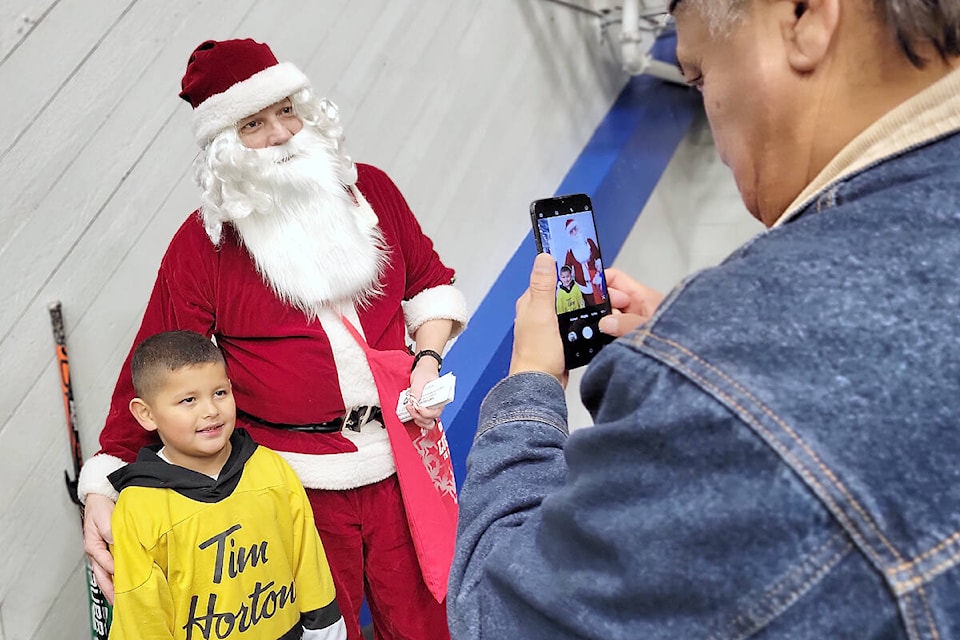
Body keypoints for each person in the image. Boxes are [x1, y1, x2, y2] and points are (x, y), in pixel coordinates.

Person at [448, 1, 960, 638]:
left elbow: (497, 617)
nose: (716, 140)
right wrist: (692, 358)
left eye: (700, 78)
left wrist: (530, 386)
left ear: (806, 16)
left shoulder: (726, 376)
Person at [76, 38, 467, 640]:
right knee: (322, 629)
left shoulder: (375, 193)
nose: (282, 133)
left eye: (287, 110)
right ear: (225, 148)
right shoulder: (203, 246)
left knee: (427, 622)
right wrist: (105, 483)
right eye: (254, 123)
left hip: (403, 458)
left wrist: (428, 357)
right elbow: (153, 366)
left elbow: (430, 285)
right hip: (293, 488)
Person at [108, 330, 347, 640]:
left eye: (220, 393)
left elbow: (307, 559)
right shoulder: (139, 508)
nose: (210, 410)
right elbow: (141, 614)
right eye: (188, 400)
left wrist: (324, 630)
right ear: (146, 414)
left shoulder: (269, 468)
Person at [562, 217, 605, 306]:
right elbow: (566, 268)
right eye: (571, 232)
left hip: (596, 282)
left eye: (575, 229)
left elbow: (598, 256)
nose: (574, 233)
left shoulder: (589, 242)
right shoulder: (570, 251)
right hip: (582, 287)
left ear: (579, 228)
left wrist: (599, 264)